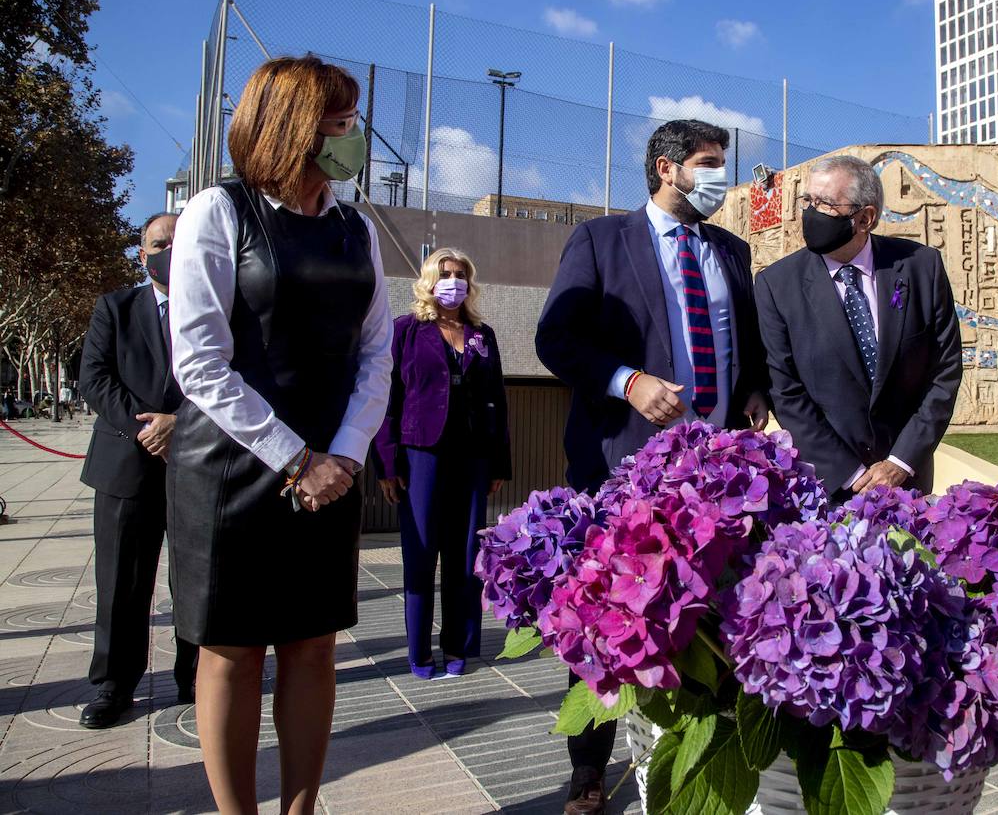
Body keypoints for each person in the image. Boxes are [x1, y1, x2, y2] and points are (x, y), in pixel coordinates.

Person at [167, 55, 392, 815]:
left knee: (313, 645)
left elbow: (376, 354)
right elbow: (200, 363)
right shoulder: (218, 212)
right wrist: (297, 458)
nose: (353, 137)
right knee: (231, 652)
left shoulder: (356, 228)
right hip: (232, 470)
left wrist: (344, 456)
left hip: (330, 472)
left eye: (352, 122)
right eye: (341, 123)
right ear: (292, 127)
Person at [535, 118, 770, 815]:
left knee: (706, 613)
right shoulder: (601, 241)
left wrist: (754, 388)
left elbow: (745, 339)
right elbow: (555, 339)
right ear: (667, 169)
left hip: (716, 475)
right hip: (625, 468)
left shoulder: (731, 250)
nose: (720, 176)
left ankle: (698, 757)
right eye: (708, 162)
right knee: (611, 619)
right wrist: (628, 381)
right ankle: (588, 770)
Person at [755, 155, 963, 498]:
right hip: (829, 486)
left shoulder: (921, 267)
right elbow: (785, 390)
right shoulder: (777, 285)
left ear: (865, 218)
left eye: (824, 203)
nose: (811, 213)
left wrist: (901, 461)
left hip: (907, 480)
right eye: (808, 201)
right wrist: (850, 474)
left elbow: (944, 371)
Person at [76, 213, 198, 728]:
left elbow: (234, 378)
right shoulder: (116, 307)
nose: (169, 250)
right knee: (121, 581)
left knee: (194, 579)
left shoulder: (218, 309)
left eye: (179, 241)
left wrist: (180, 424)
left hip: (194, 464)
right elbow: (94, 378)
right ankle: (114, 684)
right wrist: (146, 428)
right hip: (125, 466)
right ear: (143, 252)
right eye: (159, 243)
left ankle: (195, 677)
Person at [373, 247, 512, 680]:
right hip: (420, 456)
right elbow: (386, 397)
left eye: (461, 274)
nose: (454, 281)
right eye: (446, 273)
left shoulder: (482, 334)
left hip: (472, 457)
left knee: (464, 555)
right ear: (429, 281)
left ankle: (458, 646)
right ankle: (419, 653)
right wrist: (386, 463)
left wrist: (498, 463)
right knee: (420, 555)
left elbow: (497, 400)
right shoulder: (405, 330)